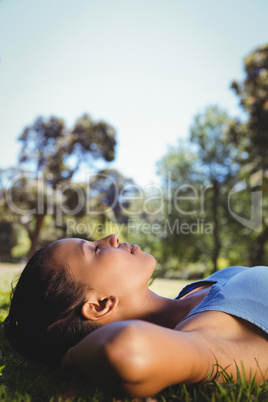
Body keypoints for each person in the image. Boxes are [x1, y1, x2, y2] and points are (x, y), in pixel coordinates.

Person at [4, 234, 268, 398]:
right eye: (95, 250)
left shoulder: (192, 294)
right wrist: (71, 357)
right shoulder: (208, 333)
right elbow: (125, 349)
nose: (112, 238)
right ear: (99, 305)